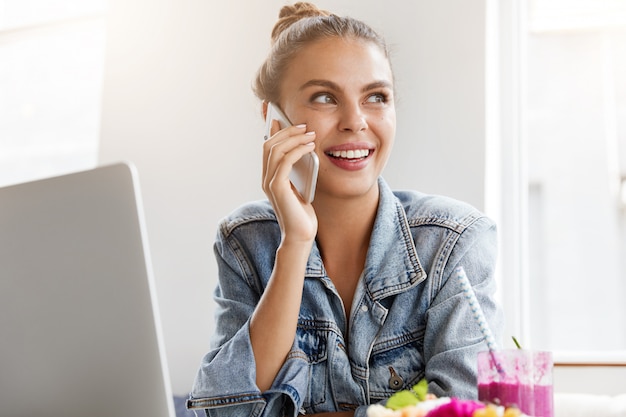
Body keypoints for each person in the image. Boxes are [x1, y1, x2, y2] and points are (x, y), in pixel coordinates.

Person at [187, 3, 503, 417]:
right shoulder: (246, 242)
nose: (356, 121)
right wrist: (295, 244)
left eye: (376, 96)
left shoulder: (454, 243)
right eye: (325, 97)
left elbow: (466, 410)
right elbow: (225, 412)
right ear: (274, 123)